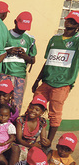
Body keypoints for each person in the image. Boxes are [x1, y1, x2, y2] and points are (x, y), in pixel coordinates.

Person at [32, 10, 79, 143]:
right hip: (46, 81)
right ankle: (30, 136)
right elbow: (48, 61)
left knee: (54, 114)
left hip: (63, 84)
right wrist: (37, 80)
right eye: (69, 19)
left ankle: (48, 142)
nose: (70, 22)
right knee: (35, 106)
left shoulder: (77, 41)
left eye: (74, 21)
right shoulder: (55, 39)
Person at [0, 11, 37, 113]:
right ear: (15, 22)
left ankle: (12, 125)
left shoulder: (30, 39)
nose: (22, 30)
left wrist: (25, 56)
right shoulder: (5, 35)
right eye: (20, 27)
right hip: (4, 74)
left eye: (25, 28)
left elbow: (32, 60)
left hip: (20, 76)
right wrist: (7, 52)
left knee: (16, 103)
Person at [16, 95, 50, 161]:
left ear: (42, 112)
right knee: (24, 151)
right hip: (21, 144)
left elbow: (43, 139)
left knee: (48, 151)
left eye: (37, 110)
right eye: (31, 108)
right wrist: (31, 146)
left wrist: (47, 143)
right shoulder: (20, 120)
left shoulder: (42, 122)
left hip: (33, 145)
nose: (33, 111)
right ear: (28, 107)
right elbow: (18, 139)